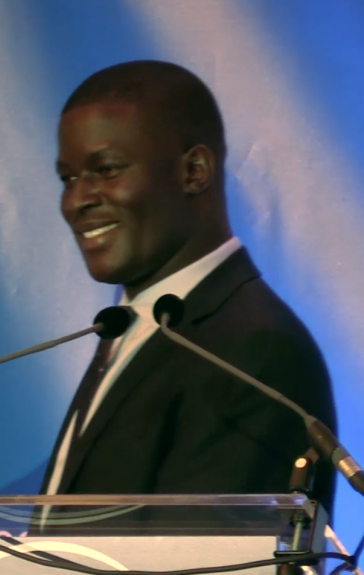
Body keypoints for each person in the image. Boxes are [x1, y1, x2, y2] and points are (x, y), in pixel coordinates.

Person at [43, 60, 337, 513]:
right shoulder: (136, 326)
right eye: (68, 177)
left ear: (194, 170)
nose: (76, 200)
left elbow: (208, 556)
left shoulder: (257, 352)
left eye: (106, 170)